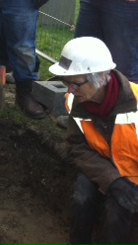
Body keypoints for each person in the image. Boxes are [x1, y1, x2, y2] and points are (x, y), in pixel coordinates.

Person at [49, 36, 138, 244]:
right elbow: (77, 147)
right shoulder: (77, 102)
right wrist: (112, 180)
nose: (69, 90)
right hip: (104, 168)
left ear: (100, 78)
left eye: (76, 84)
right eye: (66, 82)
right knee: (83, 193)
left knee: (117, 211)